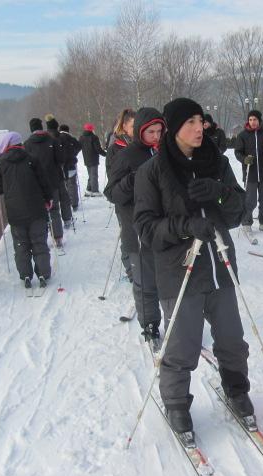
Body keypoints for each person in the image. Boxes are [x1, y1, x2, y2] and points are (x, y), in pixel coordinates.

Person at [134, 97, 252, 434]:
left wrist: (219, 192)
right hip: (179, 269)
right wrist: (184, 226)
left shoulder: (216, 160)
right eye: (191, 123)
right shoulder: (152, 172)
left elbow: (239, 209)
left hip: (219, 262)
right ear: (173, 129)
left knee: (232, 340)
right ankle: (176, 403)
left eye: (201, 121)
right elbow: (145, 229)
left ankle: (237, 388)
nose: (200, 128)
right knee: (181, 345)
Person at [104, 108, 164, 348]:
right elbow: (112, 193)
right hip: (137, 229)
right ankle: (149, 325)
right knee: (145, 283)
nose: (157, 136)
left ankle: (177, 321)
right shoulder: (127, 156)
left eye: (160, 131)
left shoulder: (167, 152)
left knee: (170, 280)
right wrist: (133, 179)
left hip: (166, 227)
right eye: (151, 131)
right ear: (140, 131)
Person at [0, 132, 52, 287]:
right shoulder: (32, 160)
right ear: (19, 143)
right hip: (36, 209)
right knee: (39, 242)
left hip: (15, 211)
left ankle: (25, 275)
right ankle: (43, 273)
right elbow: (44, 182)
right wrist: (48, 199)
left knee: (21, 244)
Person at [24, 117, 69, 248]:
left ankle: (41, 240)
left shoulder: (27, 144)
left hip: (36, 183)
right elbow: (61, 159)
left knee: (40, 212)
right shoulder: (52, 140)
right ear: (42, 127)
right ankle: (58, 238)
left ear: (31, 129)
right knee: (54, 209)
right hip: (53, 180)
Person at [234, 109, 263, 238]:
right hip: (250, 174)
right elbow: (238, 152)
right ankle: (246, 222)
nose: (253, 122)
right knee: (250, 201)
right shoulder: (243, 135)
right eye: (251, 120)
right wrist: (245, 159)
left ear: (259, 121)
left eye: (255, 120)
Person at [105, 108, 136, 281]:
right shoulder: (115, 147)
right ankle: (131, 268)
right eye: (133, 126)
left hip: (142, 198)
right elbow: (113, 179)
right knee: (128, 234)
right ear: (124, 126)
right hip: (124, 199)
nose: (136, 129)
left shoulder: (141, 144)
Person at [58, 124, 82, 212]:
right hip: (71, 164)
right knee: (72, 184)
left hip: (61, 165)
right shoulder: (71, 138)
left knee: (64, 185)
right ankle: (74, 203)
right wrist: (74, 153)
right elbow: (79, 145)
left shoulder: (57, 138)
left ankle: (66, 203)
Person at [79, 123, 106, 196]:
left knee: (90, 174)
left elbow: (78, 147)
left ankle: (89, 189)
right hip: (93, 158)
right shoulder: (94, 137)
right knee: (94, 175)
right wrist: (105, 154)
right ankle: (95, 190)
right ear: (92, 129)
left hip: (86, 158)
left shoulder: (81, 137)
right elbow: (98, 149)